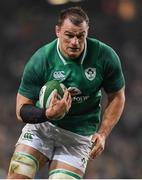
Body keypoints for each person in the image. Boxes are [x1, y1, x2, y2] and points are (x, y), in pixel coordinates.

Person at [7, 6, 125, 179]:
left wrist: (103, 133)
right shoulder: (41, 59)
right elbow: (21, 110)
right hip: (42, 128)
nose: (75, 42)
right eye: (69, 35)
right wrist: (49, 113)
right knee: (19, 175)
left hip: (78, 136)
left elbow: (117, 97)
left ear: (87, 32)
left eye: (80, 36)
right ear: (58, 31)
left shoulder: (104, 56)